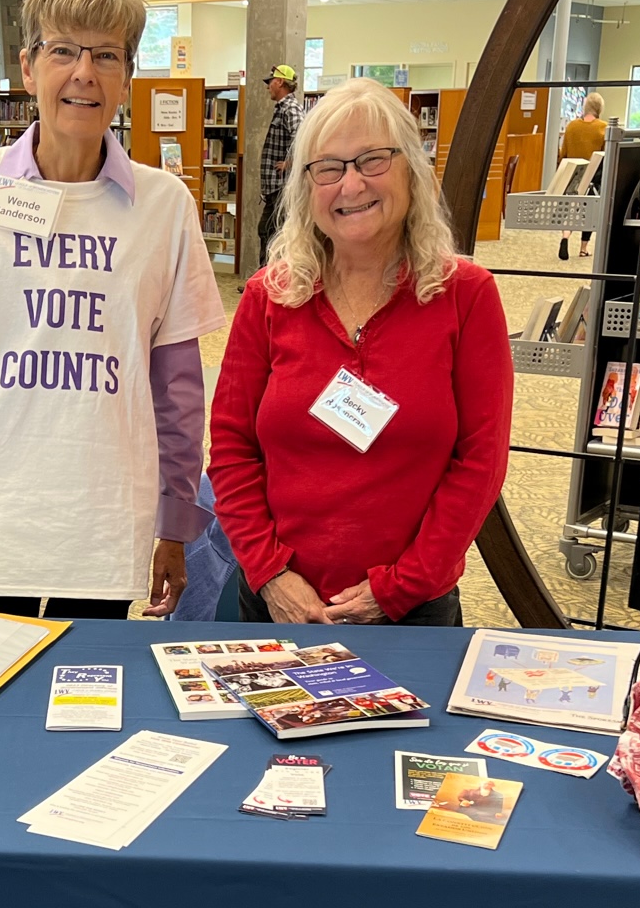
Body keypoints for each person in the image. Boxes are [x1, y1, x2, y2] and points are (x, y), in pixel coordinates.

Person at [0, 0, 227, 620]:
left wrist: (177, 523)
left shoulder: (164, 206)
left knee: (83, 703)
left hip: (104, 515)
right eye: (63, 50)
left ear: (128, 75)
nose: (84, 73)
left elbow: (178, 390)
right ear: (27, 65)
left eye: (106, 55)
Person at [208, 77, 512, 628]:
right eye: (328, 168)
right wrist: (270, 573)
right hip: (278, 606)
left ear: (411, 172)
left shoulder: (466, 296)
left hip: (412, 613)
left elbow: (480, 464)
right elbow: (231, 449)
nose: (350, 185)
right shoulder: (268, 297)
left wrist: (398, 588)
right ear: (306, 188)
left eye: (372, 160)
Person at [256, 64, 306, 268]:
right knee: (268, 231)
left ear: (280, 82)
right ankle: (264, 279)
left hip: (281, 187)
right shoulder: (283, 108)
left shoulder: (290, 108)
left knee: (272, 233)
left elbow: (302, 134)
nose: (268, 86)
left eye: (270, 82)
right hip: (275, 187)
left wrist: (291, 162)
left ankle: (267, 281)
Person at [557, 92, 606, 259]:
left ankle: (565, 236)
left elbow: (563, 153)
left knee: (570, 208)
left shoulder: (571, 126)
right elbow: (605, 155)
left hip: (572, 173)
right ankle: (583, 248)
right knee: (588, 212)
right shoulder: (603, 128)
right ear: (600, 108)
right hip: (593, 176)